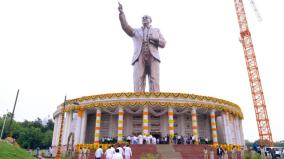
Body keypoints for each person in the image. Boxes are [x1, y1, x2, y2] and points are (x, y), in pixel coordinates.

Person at [118, 2, 166, 92]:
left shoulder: (156, 31)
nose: (144, 19)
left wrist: (155, 39)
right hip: (139, 56)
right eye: (143, 18)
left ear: (150, 20)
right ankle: (138, 102)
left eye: (146, 17)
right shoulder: (136, 31)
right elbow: (125, 27)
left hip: (153, 57)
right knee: (138, 79)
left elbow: (163, 43)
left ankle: (155, 102)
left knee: (154, 79)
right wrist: (121, 13)